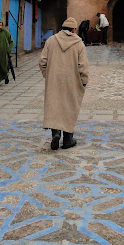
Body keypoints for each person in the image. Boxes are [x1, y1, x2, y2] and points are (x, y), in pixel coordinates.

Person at [39, 17, 89, 150]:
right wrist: (83, 81)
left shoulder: (51, 40)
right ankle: (68, 139)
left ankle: (55, 133)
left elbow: (42, 61)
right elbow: (82, 66)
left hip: (54, 80)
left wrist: (48, 75)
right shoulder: (79, 43)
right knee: (69, 106)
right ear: (73, 29)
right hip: (72, 81)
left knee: (54, 105)